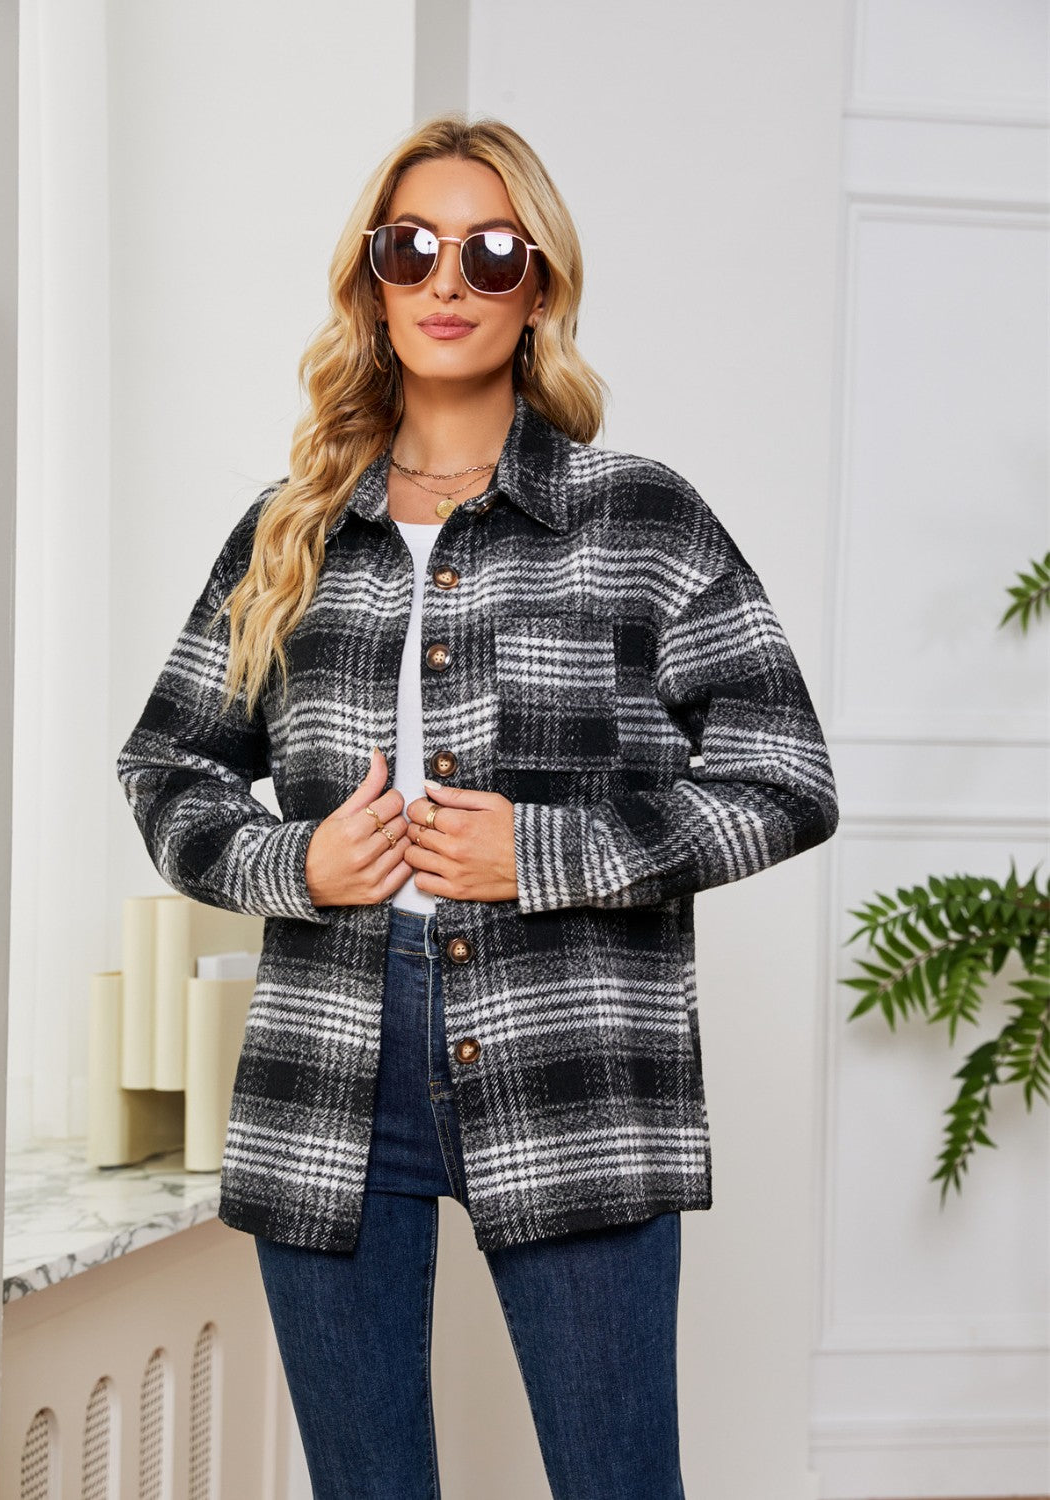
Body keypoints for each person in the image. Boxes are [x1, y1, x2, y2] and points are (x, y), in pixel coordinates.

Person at [116, 112, 839, 1500]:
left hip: (571, 1060)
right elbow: (166, 766)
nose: (449, 281)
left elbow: (785, 776)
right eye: (413, 249)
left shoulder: (640, 518)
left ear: (538, 286)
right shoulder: (288, 529)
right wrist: (293, 864)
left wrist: (542, 851)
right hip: (328, 1067)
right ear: (373, 281)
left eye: (491, 252)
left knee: (616, 1481)